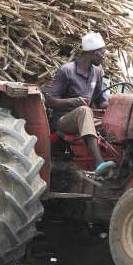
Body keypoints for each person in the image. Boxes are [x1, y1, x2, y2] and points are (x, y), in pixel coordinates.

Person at [45, 32, 114, 174]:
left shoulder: (97, 72)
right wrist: (73, 102)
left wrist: (116, 103)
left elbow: (101, 101)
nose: (104, 56)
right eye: (102, 52)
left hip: (85, 120)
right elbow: (50, 101)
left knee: (115, 125)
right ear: (93, 53)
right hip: (64, 121)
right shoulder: (66, 71)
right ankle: (99, 162)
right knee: (84, 110)